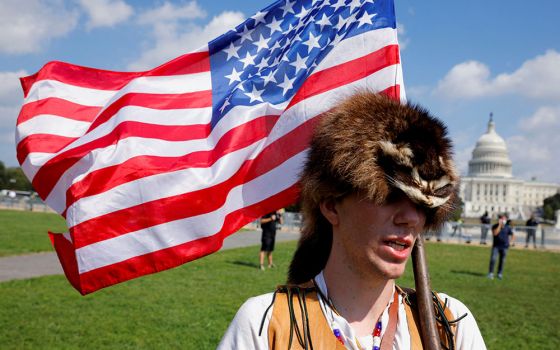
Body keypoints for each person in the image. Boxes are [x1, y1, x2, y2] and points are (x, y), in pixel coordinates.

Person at [219, 92, 485, 349]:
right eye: (390, 197)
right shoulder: (265, 327)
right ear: (332, 206)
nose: (411, 218)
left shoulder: (451, 325)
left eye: (421, 205)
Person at [487, 214, 514, 280]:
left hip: (504, 247)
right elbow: (495, 233)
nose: (503, 220)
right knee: (493, 259)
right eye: (502, 219)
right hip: (496, 246)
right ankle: (491, 273)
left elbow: (513, 235)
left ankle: (499, 273)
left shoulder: (507, 227)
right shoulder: (495, 226)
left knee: (502, 261)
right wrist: (499, 225)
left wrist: (511, 242)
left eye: (504, 219)